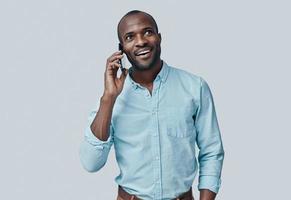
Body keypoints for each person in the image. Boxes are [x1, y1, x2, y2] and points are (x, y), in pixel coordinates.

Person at [79, 10, 225, 200]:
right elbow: (91, 163)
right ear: (121, 48)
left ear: (159, 38)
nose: (140, 41)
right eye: (130, 37)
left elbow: (211, 151)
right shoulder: (112, 98)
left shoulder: (194, 87)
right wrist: (108, 99)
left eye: (147, 32)